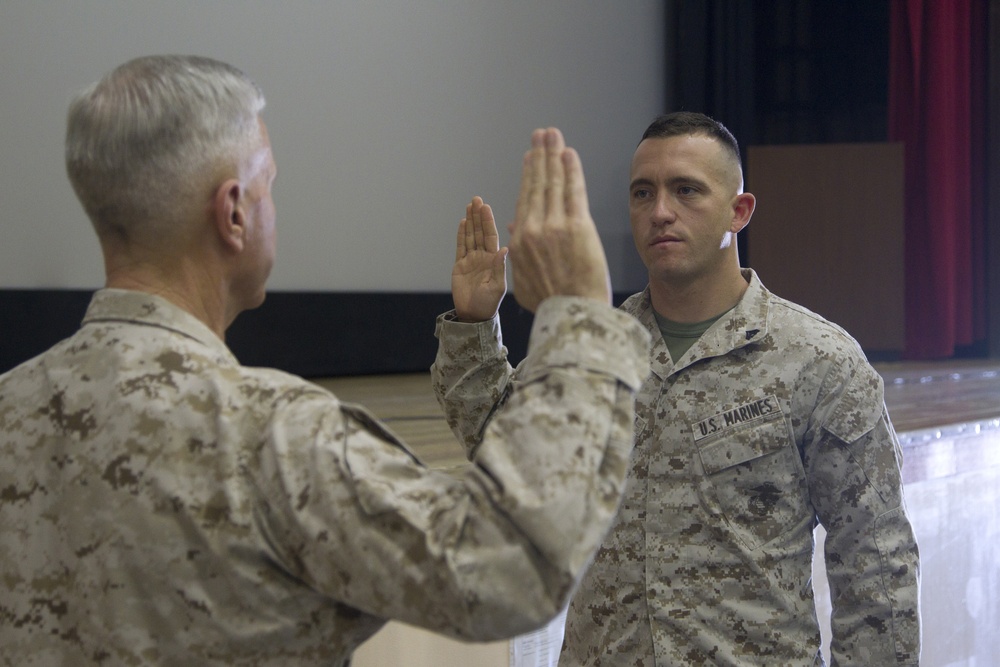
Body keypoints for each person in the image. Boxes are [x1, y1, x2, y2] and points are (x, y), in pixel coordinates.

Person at [0, 55, 651, 665]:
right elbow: (511, 566)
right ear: (233, 212)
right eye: (269, 187)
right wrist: (580, 319)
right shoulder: (272, 439)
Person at [432, 111, 921, 665]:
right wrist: (474, 325)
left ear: (739, 212)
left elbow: (876, 563)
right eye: (643, 193)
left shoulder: (819, 362)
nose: (660, 212)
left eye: (686, 190)